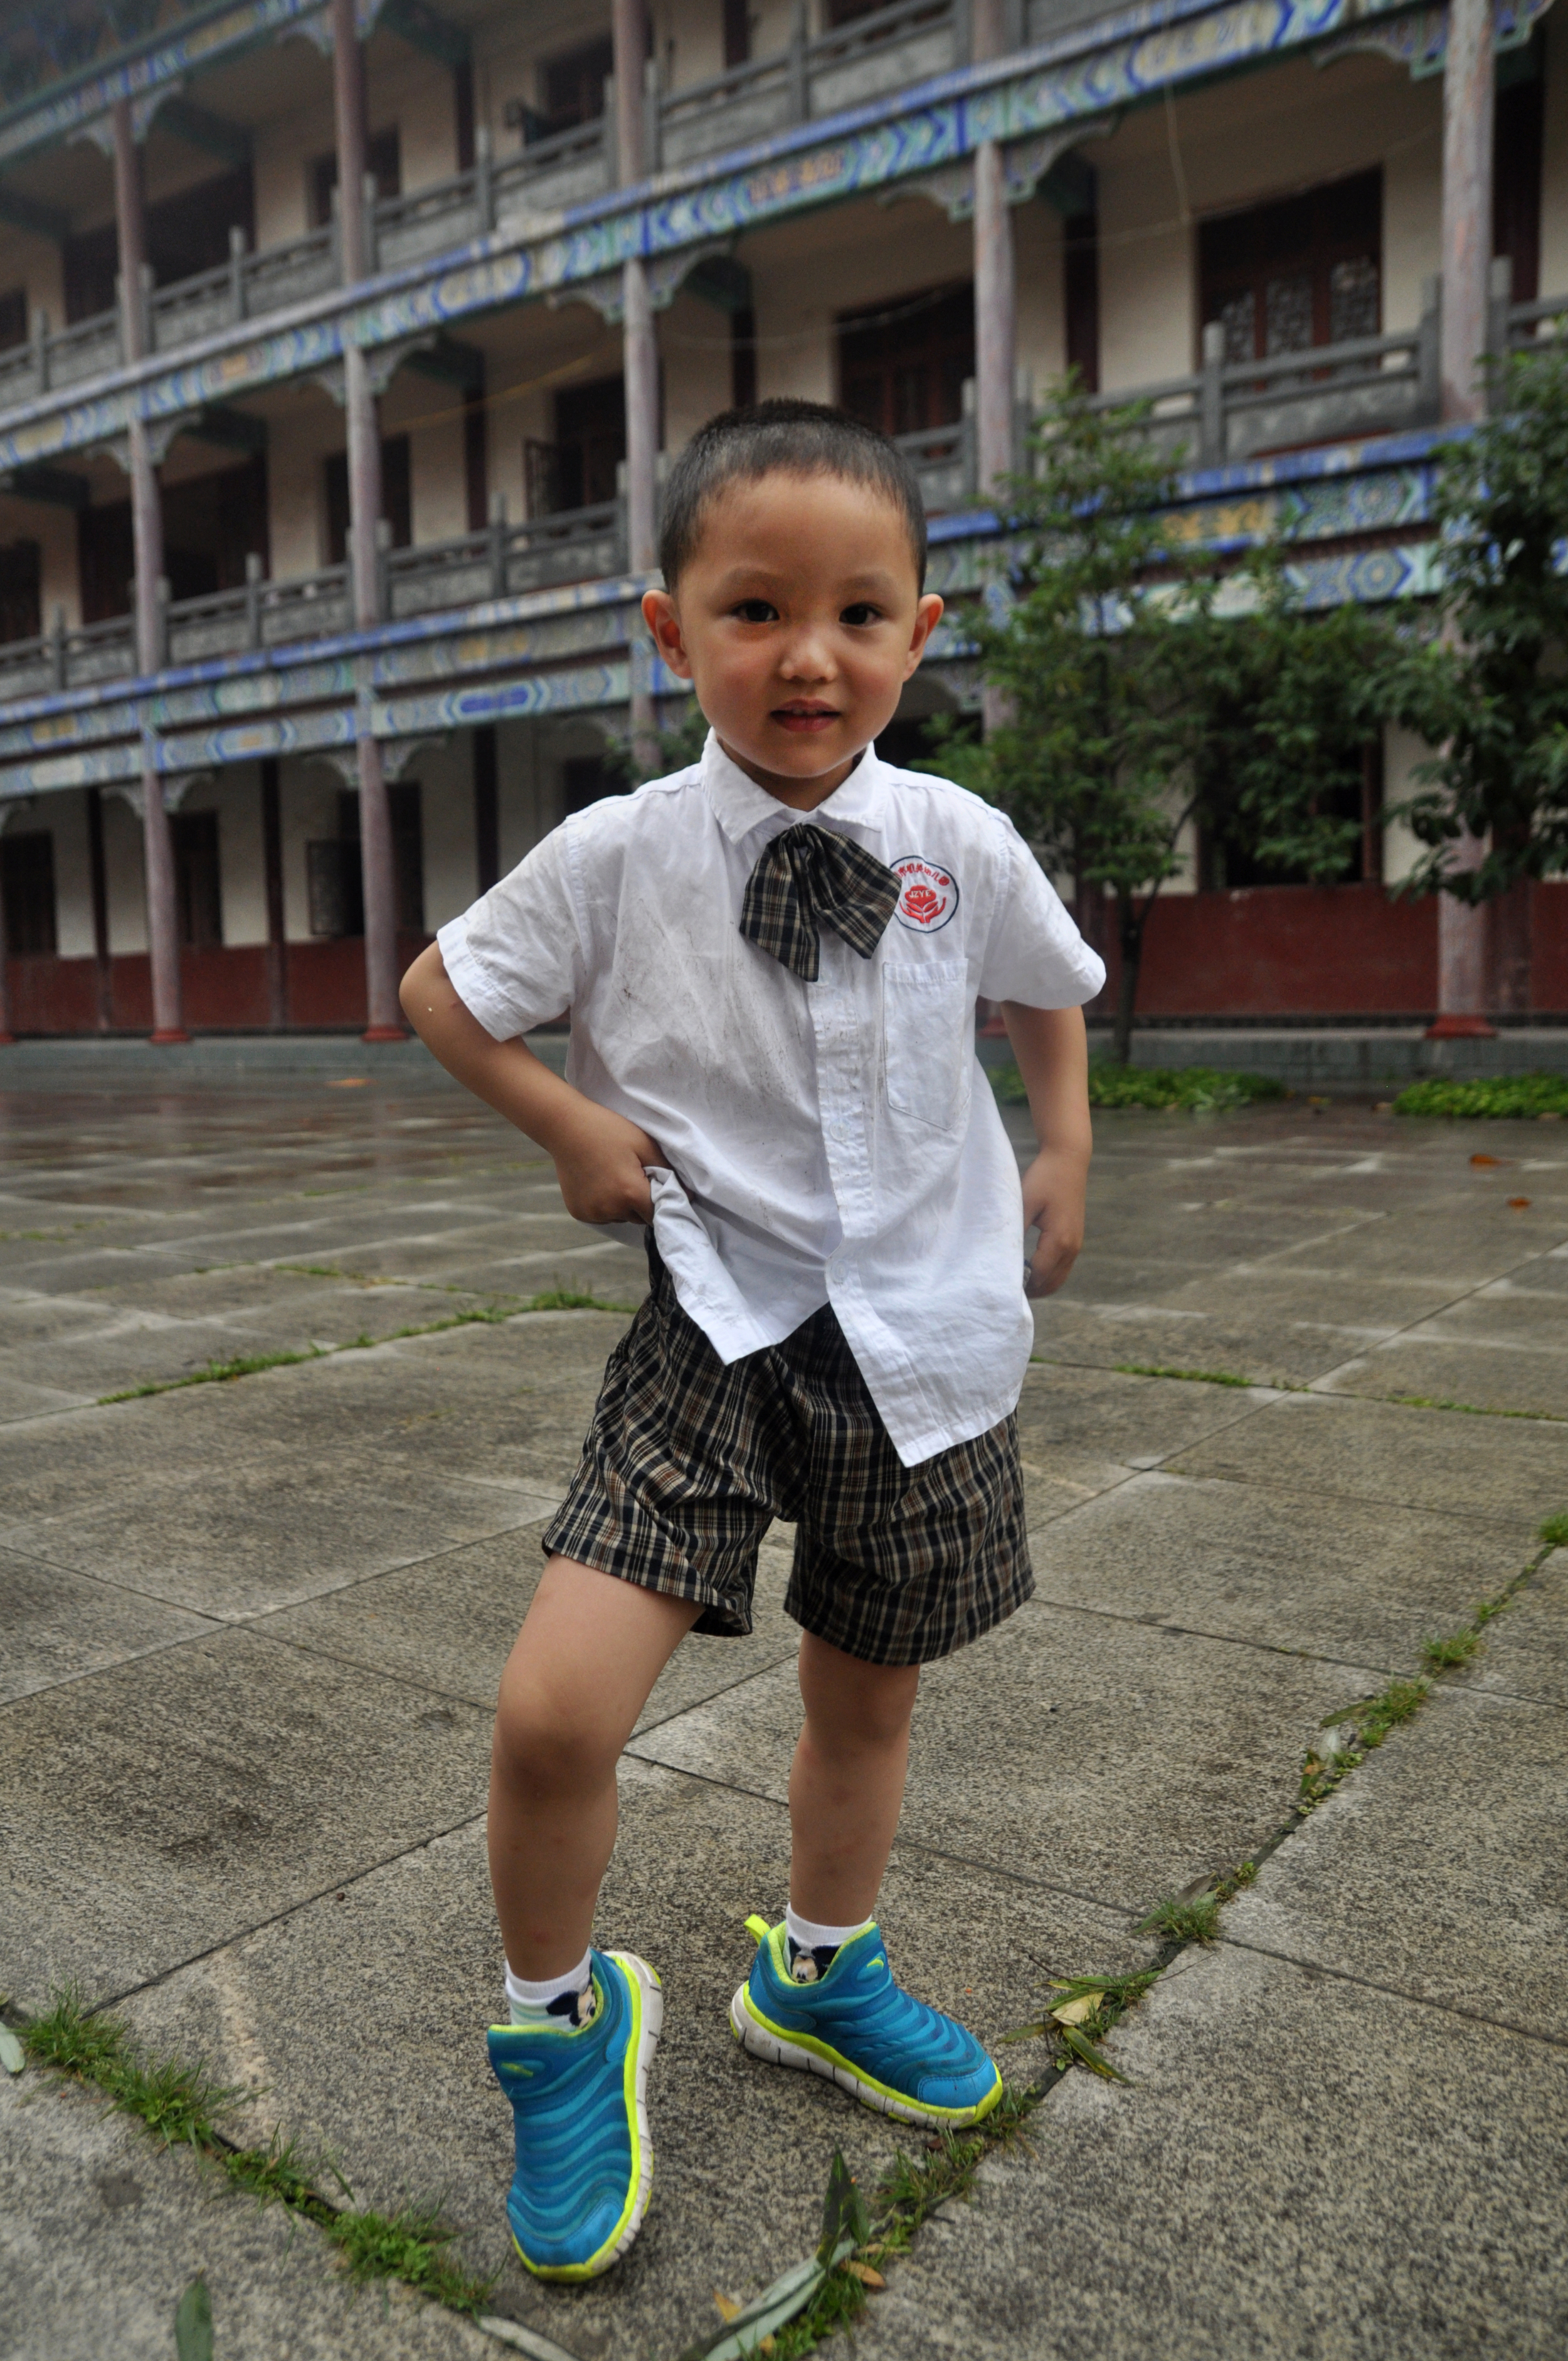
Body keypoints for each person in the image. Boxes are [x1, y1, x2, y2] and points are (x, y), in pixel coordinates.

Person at [399, 397, 1104, 2284]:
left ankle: (817, 1970)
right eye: (756, 609)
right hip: (711, 1322)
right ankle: (556, 2024)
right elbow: (440, 995)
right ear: (668, 628)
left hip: (927, 1341)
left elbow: (1045, 985)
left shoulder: (954, 837)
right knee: (554, 1707)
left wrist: (1065, 1139)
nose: (811, 653)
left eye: (860, 613)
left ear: (919, 635)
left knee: (862, 1699)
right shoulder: (619, 854)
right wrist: (568, 1123)